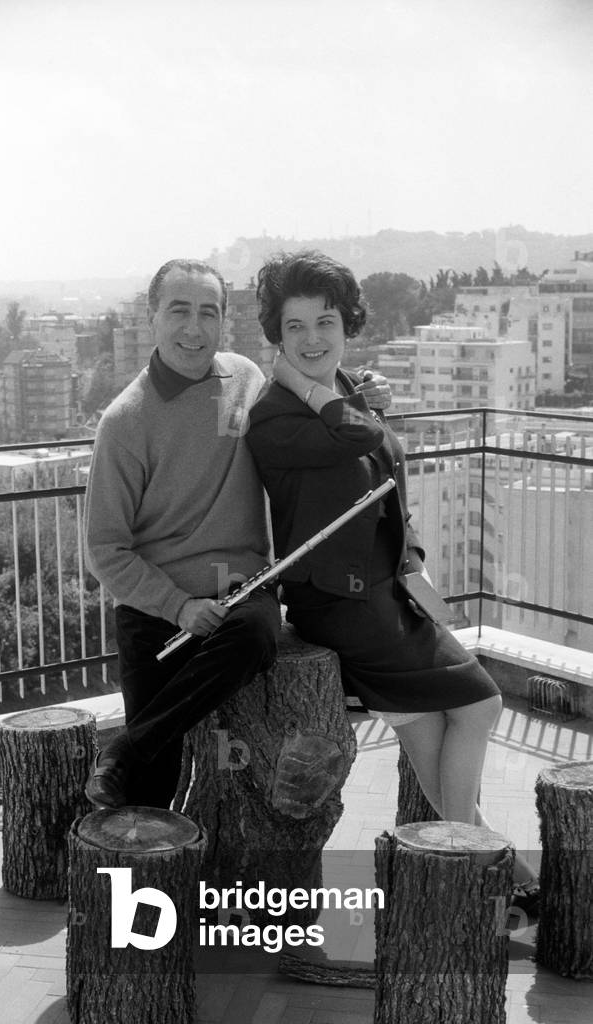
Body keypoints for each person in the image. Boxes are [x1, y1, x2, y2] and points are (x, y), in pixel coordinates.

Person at [245, 249, 539, 910]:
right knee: (482, 704)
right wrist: (311, 387)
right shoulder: (276, 415)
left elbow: (387, 476)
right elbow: (357, 439)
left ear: (347, 324)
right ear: (276, 337)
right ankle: (470, 862)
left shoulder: (346, 391)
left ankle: (498, 871)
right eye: (295, 327)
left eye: (326, 321)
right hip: (342, 605)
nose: (312, 339)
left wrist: (413, 559)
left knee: (429, 738)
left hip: (388, 593)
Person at [83, 258, 285, 810]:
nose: (194, 328)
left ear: (223, 321)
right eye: (179, 311)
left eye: (208, 312)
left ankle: (125, 749)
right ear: (151, 317)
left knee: (255, 636)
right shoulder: (124, 421)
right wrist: (178, 607)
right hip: (156, 610)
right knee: (149, 795)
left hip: (240, 595)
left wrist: (361, 391)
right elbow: (104, 549)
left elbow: (303, 401)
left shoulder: (246, 378)